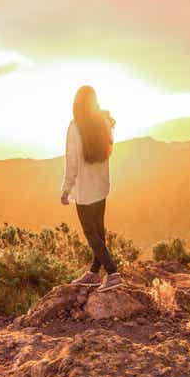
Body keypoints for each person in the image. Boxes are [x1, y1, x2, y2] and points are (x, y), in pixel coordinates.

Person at [61, 85, 122, 290]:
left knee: (92, 234)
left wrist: (66, 188)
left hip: (85, 191)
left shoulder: (75, 127)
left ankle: (112, 273)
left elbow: (72, 161)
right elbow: (109, 151)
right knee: (99, 230)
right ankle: (94, 272)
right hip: (102, 186)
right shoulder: (103, 123)